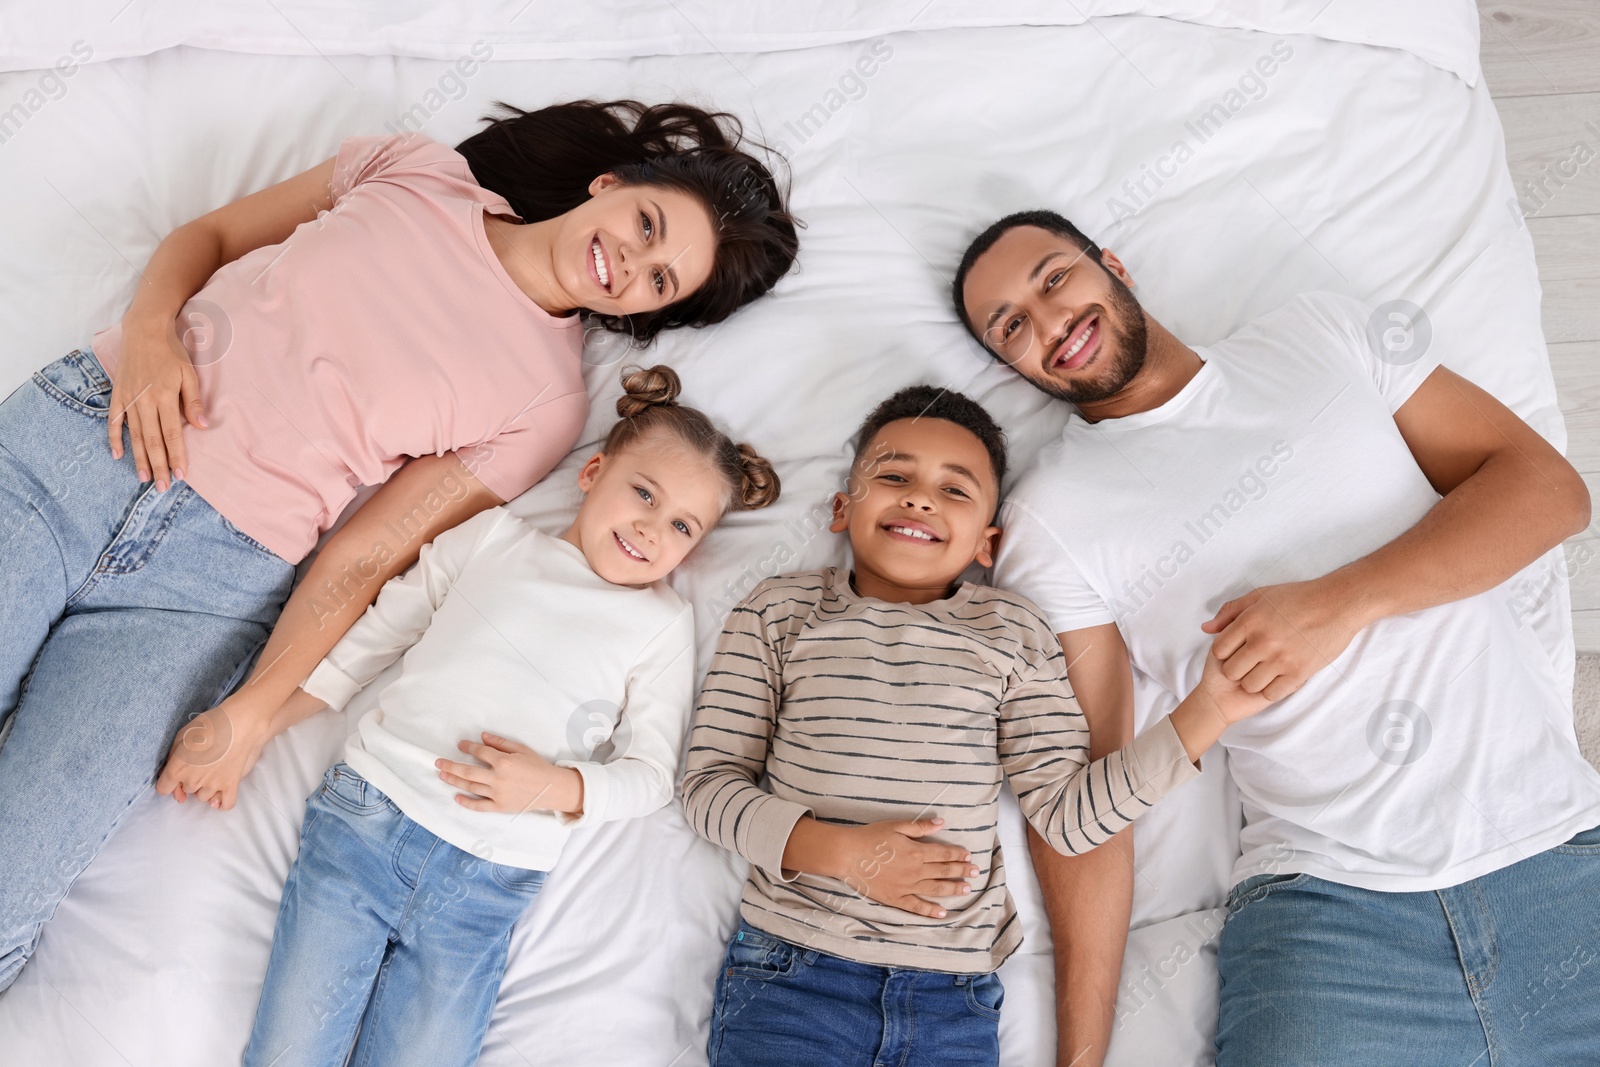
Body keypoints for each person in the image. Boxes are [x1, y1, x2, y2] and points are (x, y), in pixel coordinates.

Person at [0, 98, 799, 994]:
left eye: (660, 282)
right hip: (79, 441)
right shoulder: (411, 169)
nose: (632, 266)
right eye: (646, 227)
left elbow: (367, 555)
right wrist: (149, 333)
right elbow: (213, 234)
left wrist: (255, 713)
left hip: (205, 585)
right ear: (608, 183)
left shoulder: (546, 408)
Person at [954, 209, 1600, 1065]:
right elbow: (1094, 804)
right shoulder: (1052, 517)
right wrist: (1081, 1056)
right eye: (1011, 326)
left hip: (1560, 856)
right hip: (1330, 918)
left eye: (1053, 278)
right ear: (1009, 363)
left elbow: (1548, 491)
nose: (1049, 322)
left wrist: (1342, 601)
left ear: (1110, 263)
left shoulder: (1320, 332)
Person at [680, 386, 1271, 1066]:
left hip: (948, 1000)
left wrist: (1208, 712)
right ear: (843, 508)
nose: (920, 498)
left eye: (954, 491)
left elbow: (1068, 818)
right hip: (795, 975)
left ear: (988, 543)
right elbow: (707, 789)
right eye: (894, 476)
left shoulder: (1014, 634)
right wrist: (846, 856)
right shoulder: (779, 611)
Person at [240, 365, 779, 1067]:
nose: (651, 527)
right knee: (287, 1052)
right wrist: (258, 727)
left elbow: (649, 775)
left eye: (681, 524)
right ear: (592, 472)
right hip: (367, 821)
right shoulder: (495, 539)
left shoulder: (660, 624)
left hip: (483, 886)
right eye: (643, 492)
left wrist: (558, 787)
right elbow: (376, 637)